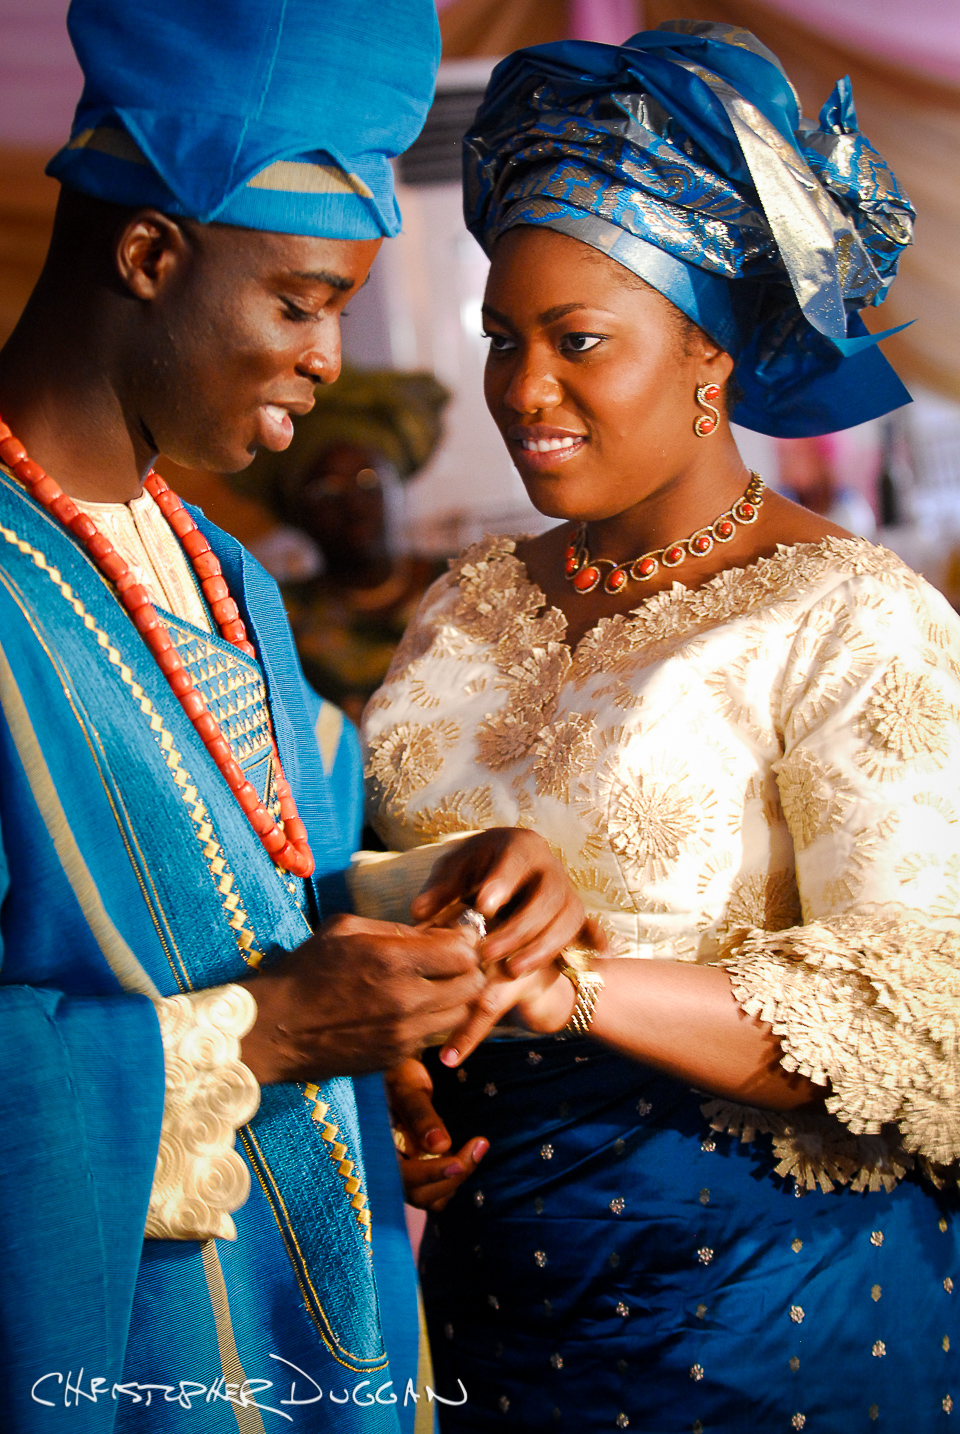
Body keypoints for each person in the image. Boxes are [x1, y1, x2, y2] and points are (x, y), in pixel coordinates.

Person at [363, 22, 960, 1432]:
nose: (522, 390)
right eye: (503, 338)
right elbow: (371, 871)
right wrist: (388, 1040)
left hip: (762, 1311)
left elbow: (928, 1020)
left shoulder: (844, 619)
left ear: (708, 345)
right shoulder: (464, 603)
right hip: (483, 1288)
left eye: (579, 342)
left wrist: (565, 987)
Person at [0, 2, 589, 1429]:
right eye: (303, 301)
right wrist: (260, 1037)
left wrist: (419, 915)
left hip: (324, 1334)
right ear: (151, 254)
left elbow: (262, 863)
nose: (330, 359)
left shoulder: (227, 578)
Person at [234, 367, 451, 723]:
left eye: (367, 481)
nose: (353, 506)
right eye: (327, 492)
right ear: (297, 511)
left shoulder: (459, 586)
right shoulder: (278, 619)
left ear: (394, 486)